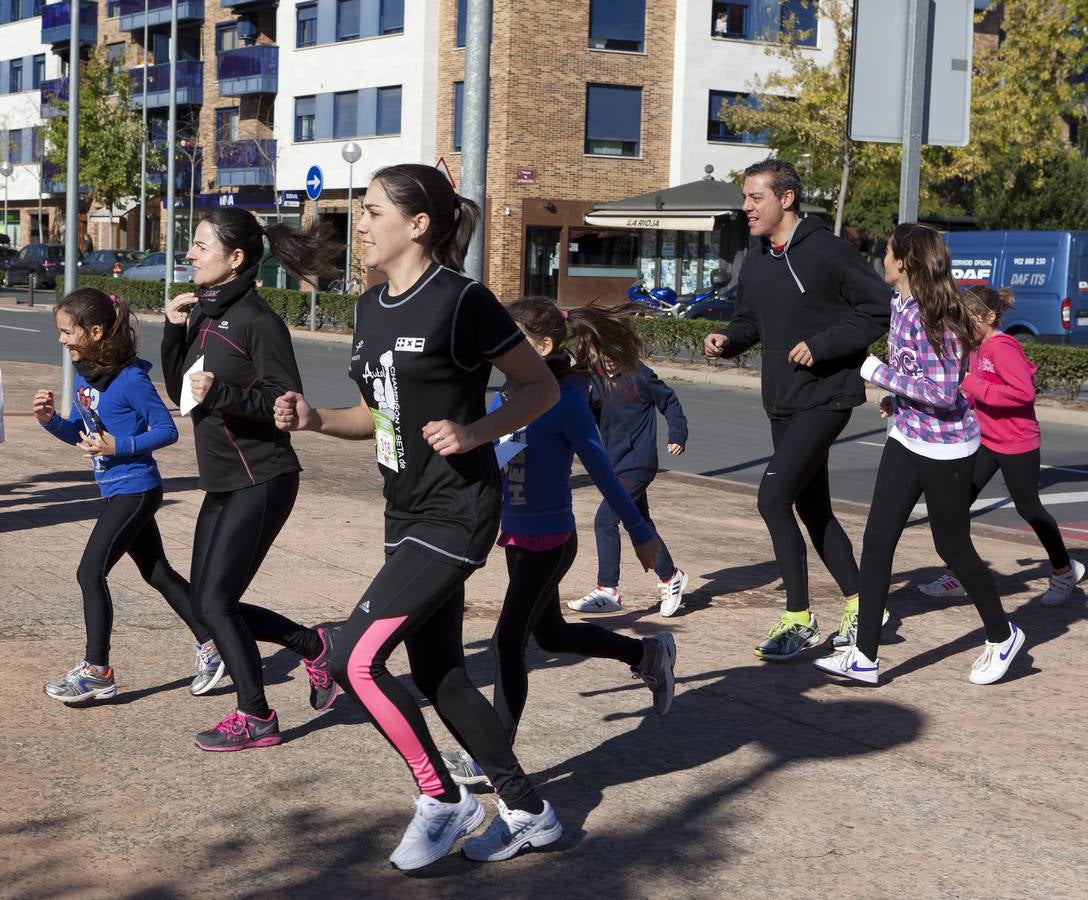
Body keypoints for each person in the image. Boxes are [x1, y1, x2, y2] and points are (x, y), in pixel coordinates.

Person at [273, 164, 562, 871]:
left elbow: (541, 387)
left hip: (459, 509)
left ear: (418, 224)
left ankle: (442, 799)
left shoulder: (463, 302)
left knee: (351, 657)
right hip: (402, 509)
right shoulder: (371, 306)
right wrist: (315, 419)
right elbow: (379, 416)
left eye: (372, 211)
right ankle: (529, 811)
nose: (361, 225)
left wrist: (476, 433)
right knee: (441, 678)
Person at [441, 297, 677, 789]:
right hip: (516, 538)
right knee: (550, 635)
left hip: (550, 541)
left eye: (512, 339)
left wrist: (642, 535)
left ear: (543, 346)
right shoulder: (504, 394)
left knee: (509, 638)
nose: (498, 348)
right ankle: (647, 656)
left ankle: (493, 752)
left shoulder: (565, 398)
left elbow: (603, 473)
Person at [162, 208, 342, 751]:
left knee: (216, 603)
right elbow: (183, 392)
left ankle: (256, 715)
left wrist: (224, 393)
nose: (189, 253)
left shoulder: (258, 321)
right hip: (223, 480)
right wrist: (173, 334)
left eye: (199, 245)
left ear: (235, 258)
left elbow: (285, 403)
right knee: (207, 602)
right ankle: (315, 647)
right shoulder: (203, 312)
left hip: (262, 477)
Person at [815, 223, 1025, 686]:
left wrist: (878, 373)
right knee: (877, 539)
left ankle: (1003, 634)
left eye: (887, 252)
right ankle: (864, 657)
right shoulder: (902, 304)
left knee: (951, 545)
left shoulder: (936, 316)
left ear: (906, 261)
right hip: (908, 435)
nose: (882, 258)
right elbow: (919, 380)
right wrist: (898, 397)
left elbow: (946, 392)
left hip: (946, 448)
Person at [703, 159, 890, 661]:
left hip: (826, 396)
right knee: (811, 507)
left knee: (772, 499)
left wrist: (824, 345)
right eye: (745, 198)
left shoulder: (829, 250)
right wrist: (728, 339)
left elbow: (878, 307)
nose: (745, 207)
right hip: (781, 399)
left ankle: (800, 617)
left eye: (754, 197)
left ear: (785, 199)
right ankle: (862, 603)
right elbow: (749, 320)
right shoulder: (758, 257)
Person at [34, 288, 219, 702]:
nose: (62, 340)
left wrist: (121, 447)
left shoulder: (131, 378)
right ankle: (214, 642)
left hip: (136, 491)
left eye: (68, 332)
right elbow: (88, 435)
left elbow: (167, 430)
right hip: (116, 489)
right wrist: (51, 422)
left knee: (89, 573)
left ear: (96, 331)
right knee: (157, 574)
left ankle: (97, 670)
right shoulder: (88, 374)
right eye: (60, 332)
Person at [915, 285, 1084, 605]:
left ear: (989, 317)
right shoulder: (975, 348)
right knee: (956, 503)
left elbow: (1024, 393)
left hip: (1017, 442)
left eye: (968, 320)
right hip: (986, 441)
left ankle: (1064, 570)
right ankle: (959, 574)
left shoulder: (1003, 347)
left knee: (1029, 508)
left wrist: (973, 385)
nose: (962, 327)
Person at [570, 357, 689, 616]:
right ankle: (671, 577)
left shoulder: (640, 376)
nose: (610, 361)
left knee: (605, 520)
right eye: (603, 355)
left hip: (638, 462)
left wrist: (677, 434)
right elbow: (580, 411)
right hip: (614, 463)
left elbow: (669, 401)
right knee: (640, 523)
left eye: (615, 354)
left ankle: (607, 589)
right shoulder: (594, 378)